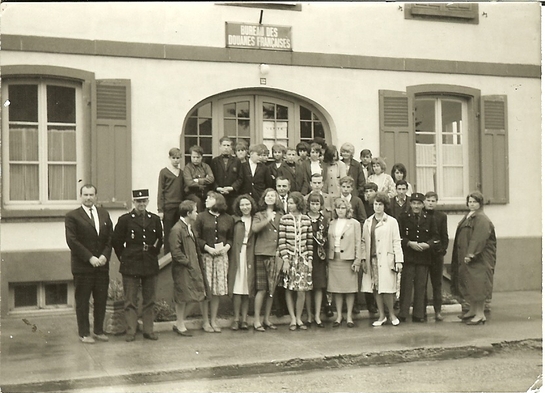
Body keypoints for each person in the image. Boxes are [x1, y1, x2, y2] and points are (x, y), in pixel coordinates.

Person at [113, 189, 163, 342]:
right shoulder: (125, 220)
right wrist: (125, 257)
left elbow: (160, 239)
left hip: (149, 262)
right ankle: (131, 331)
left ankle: (148, 330)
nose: (141, 204)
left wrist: (153, 252)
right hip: (131, 262)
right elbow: (116, 242)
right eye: (138, 201)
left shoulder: (154, 219)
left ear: (147, 202)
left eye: (144, 201)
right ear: (133, 202)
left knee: (150, 299)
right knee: (130, 300)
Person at [65, 184, 113, 344]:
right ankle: (84, 333)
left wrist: (105, 256)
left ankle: (98, 330)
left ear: (96, 196)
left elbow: (109, 239)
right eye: (85, 195)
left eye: (91, 195)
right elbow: (72, 241)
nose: (88, 198)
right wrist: (90, 257)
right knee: (83, 301)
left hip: (101, 265)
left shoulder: (104, 214)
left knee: (101, 299)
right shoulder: (72, 216)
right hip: (83, 267)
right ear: (80, 196)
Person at [451, 191, 496, 325]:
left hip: (479, 258)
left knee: (478, 285)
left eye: (474, 202)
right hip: (468, 257)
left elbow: (479, 238)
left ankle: (480, 314)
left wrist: (471, 254)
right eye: (470, 201)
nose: (471, 204)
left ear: (480, 203)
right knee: (470, 284)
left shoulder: (482, 218)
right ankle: (472, 310)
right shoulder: (469, 216)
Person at [193, 191, 234, 333]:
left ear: (218, 201)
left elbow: (230, 238)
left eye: (210, 198)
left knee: (216, 291)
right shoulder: (201, 217)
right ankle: (205, 321)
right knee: (207, 289)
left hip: (221, 257)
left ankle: (213, 320)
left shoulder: (228, 218)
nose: (206, 200)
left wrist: (226, 248)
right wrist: (208, 248)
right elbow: (196, 236)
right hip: (207, 256)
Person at [361, 192, 404, 327]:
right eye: (375, 204)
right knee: (376, 287)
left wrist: (398, 260)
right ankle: (381, 315)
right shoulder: (368, 222)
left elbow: (397, 241)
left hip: (386, 258)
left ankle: (391, 314)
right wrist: (363, 258)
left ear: (385, 206)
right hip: (372, 259)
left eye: (380, 204)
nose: (378, 207)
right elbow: (363, 242)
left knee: (388, 288)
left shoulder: (392, 222)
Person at [397, 192, 439, 323]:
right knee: (406, 285)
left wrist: (427, 245)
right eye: (414, 203)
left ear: (423, 205)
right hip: (409, 256)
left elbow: (435, 237)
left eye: (419, 204)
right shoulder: (403, 217)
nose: (416, 206)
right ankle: (403, 313)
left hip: (423, 257)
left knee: (421, 285)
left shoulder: (429, 218)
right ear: (410, 204)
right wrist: (409, 243)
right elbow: (398, 236)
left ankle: (418, 314)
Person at [169, 200, 208, 337]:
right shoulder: (177, 229)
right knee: (183, 297)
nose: (197, 213)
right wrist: (188, 262)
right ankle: (180, 324)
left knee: (195, 296)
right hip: (183, 269)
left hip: (192, 267)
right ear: (188, 213)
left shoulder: (189, 227)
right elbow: (175, 251)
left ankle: (179, 322)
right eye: (195, 211)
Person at [279, 192, 314, 331]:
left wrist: (309, 259)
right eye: (289, 203)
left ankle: (299, 317)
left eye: (292, 203)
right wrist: (285, 259)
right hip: (290, 257)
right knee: (289, 287)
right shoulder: (285, 219)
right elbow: (282, 241)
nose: (290, 205)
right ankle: (292, 318)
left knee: (301, 290)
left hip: (303, 258)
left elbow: (309, 241)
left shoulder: (306, 219)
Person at [252, 188, 284, 331]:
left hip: (275, 254)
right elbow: (255, 229)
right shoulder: (259, 215)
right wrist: (268, 219)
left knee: (272, 289)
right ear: (264, 198)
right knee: (262, 289)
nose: (270, 198)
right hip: (262, 253)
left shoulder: (281, 215)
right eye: (268, 196)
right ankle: (257, 319)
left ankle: (266, 319)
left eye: (273, 196)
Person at [327, 197, 361, 328]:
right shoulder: (331, 223)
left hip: (348, 258)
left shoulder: (354, 223)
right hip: (334, 258)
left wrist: (357, 260)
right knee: (337, 289)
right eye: (338, 207)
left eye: (343, 207)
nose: (340, 210)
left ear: (347, 209)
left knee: (349, 289)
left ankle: (349, 316)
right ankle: (339, 315)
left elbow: (358, 242)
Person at [228, 194, 257, 331]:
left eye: (247, 204)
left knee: (247, 286)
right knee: (237, 286)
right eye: (242, 205)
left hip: (250, 254)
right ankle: (236, 319)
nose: (245, 207)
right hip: (237, 254)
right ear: (238, 207)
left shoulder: (255, 220)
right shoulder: (234, 220)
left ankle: (244, 319)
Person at [424, 191, 449, 321]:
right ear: (424, 202)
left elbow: (444, 236)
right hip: (422, 254)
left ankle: (438, 311)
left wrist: (442, 250)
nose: (430, 203)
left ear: (436, 202)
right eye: (428, 200)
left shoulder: (441, 216)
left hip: (436, 255)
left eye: (433, 201)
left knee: (437, 284)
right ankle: (421, 311)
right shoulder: (420, 214)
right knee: (422, 283)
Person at [306, 191, 330, 327]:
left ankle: (317, 316)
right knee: (307, 286)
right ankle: (309, 315)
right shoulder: (304, 218)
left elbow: (327, 237)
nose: (315, 206)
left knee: (319, 286)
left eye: (317, 204)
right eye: (312, 203)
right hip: (306, 254)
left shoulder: (324, 219)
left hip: (320, 256)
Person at [157, 147, 184, 254]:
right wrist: (160, 209)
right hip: (168, 207)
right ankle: (167, 255)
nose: (176, 160)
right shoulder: (164, 172)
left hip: (180, 207)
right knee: (168, 233)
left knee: (179, 233)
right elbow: (160, 191)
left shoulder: (181, 173)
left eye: (178, 158)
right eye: (174, 158)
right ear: (169, 158)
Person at [211, 136, 243, 215]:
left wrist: (232, 188)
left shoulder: (237, 161)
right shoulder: (214, 161)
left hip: (232, 195)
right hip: (218, 194)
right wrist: (217, 188)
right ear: (220, 147)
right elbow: (212, 177)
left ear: (231, 147)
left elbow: (240, 178)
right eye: (224, 145)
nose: (226, 148)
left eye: (228, 145)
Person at [183, 145, 215, 212]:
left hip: (204, 192)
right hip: (191, 193)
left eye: (198, 157)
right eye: (193, 157)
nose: (195, 159)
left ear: (201, 157)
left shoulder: (206, 166)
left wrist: (198, 180)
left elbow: (211, 178)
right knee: (198, 202)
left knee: (212, 200)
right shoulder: (187, 168)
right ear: (190, 157)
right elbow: (189, 183)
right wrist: (204, 181)